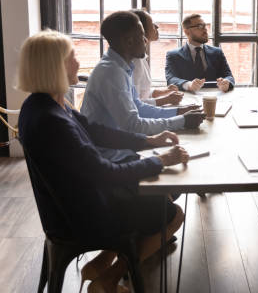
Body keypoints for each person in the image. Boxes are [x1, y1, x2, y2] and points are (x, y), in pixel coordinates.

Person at [17, 30, 189, 293]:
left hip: (66, 205)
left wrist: (149, 142)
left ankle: (99, 266)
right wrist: (160, 161)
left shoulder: (43, 105)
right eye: (72, 57)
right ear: (55, 66)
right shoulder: (53, 120)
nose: (77, 62)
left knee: (160, 196)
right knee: (172, 215)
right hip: (80, 215)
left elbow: (97, 131)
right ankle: (106, 281)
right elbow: (104, 172)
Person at [80, 11, 205, 162]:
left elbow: (138, 107)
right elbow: (133, 125)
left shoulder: (121, 67)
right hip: (111, 156)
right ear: (129, 41)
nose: (145, 40)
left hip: (124, 147)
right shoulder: (112, 73)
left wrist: (178, 112)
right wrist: (182, 121)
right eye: (141, 35)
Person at [165, 13, 235, 92]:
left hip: (215, 100)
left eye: (205, 26)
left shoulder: (217, 52)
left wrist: (227, 83)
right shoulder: (173, 55)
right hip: (188, 101)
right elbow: (171, 79)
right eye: (200, 26)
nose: (205, 30)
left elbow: (229, 76)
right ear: (187, 32)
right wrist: (188, 85)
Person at [130, 8, 184, 107]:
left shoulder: (141, 58)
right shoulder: (134, 62)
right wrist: (166, 100)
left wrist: (164, 92)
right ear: (141, 28)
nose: (157, 26)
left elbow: (142, 94)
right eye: (152, 23)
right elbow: (134, 104)